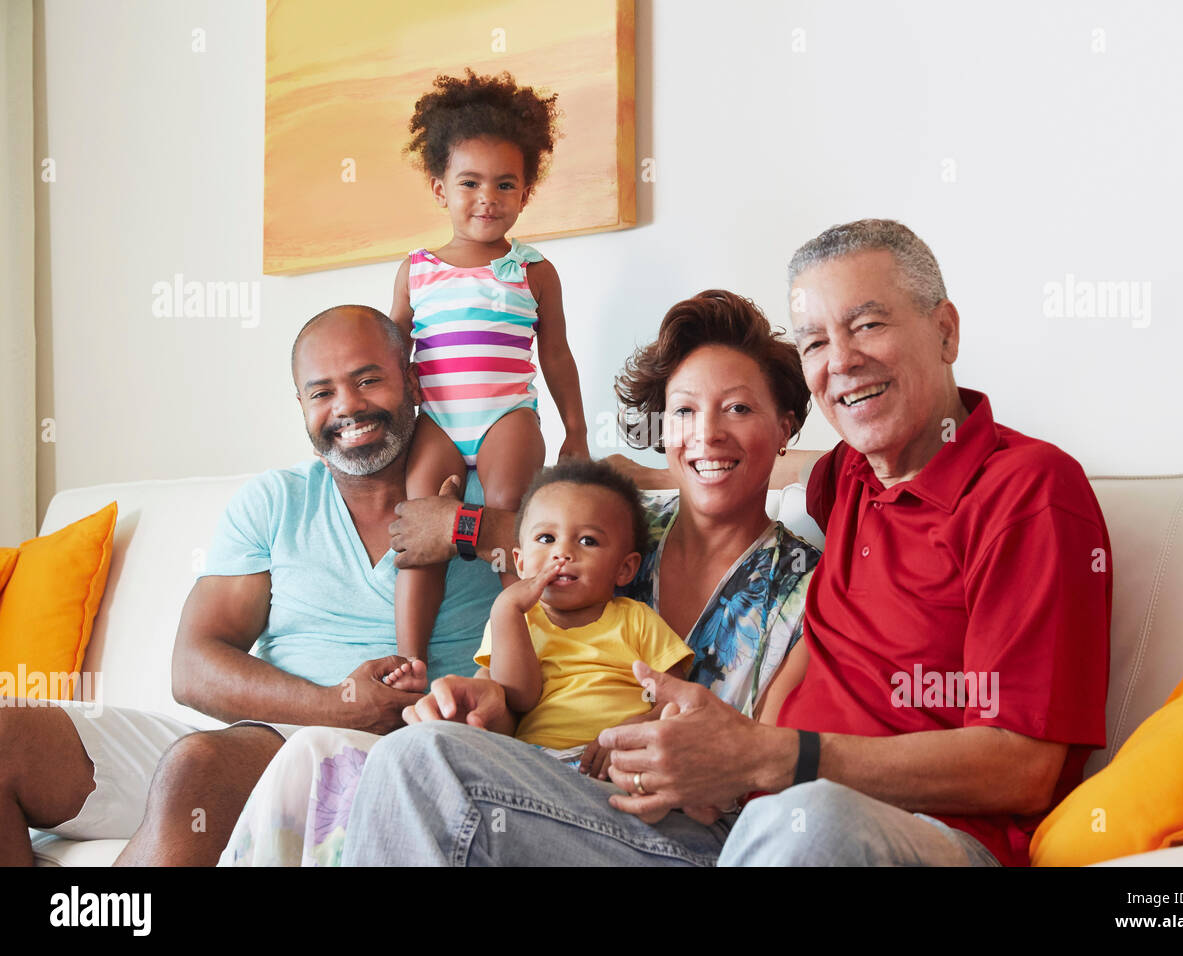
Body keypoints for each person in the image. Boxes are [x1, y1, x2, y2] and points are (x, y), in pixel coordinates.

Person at [336, 219, 1112, 867]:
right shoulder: (850, 482)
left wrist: (774, 756)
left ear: (944, 330)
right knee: (419, 761)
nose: (841, 361)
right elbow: (660, 495)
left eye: (868, 323)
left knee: (809, 821)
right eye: (815, 342)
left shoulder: (1029, 492)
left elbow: (1027, 766)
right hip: (706, 823)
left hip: (903, 831)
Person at [219, 290, 822, 865]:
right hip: (549, 793)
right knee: (328, 753)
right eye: (685, 411)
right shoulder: (617, 523)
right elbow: (528, 651)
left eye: (739, 408)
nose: (707, 433)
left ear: (786, 424)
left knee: (424, 760)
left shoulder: (806, 588)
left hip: (683, 828)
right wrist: (487, 705)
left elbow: (766, 767)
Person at [0, 304, 500, 866]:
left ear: (411, 380)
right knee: (7, 736)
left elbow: (581, 539)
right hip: (265, 740)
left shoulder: (485, 495)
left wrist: (464, 525)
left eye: (367, 380)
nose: (348, 407)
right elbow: (193, 667)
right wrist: (335, 705)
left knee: (200, 766)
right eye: (322, 392)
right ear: (302, 406)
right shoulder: (276, 500)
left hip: (393, 754)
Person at [385, 68, 588, 691]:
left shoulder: (532, 269)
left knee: (507, 519)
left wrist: (574, 431)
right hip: (438, 422)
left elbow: (555, 354)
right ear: (439, 185)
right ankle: (409, 661)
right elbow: (393, 354)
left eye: (506, 184)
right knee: (420, 532)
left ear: (525, 193)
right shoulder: (417, 270)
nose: (487, 198)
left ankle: (522, 660)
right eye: (470, 183)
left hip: (507, 416)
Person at [478, 459, 693, 772]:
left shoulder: (637, 619)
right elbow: (518, 698)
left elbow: (678, 699)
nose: (562, 553)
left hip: (618, 759)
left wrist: (641, 724)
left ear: (625, 568)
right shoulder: (514, 620)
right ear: (520, 562)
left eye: (587, 541)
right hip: (535, 763)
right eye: (546, 538)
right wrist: (507, 610)